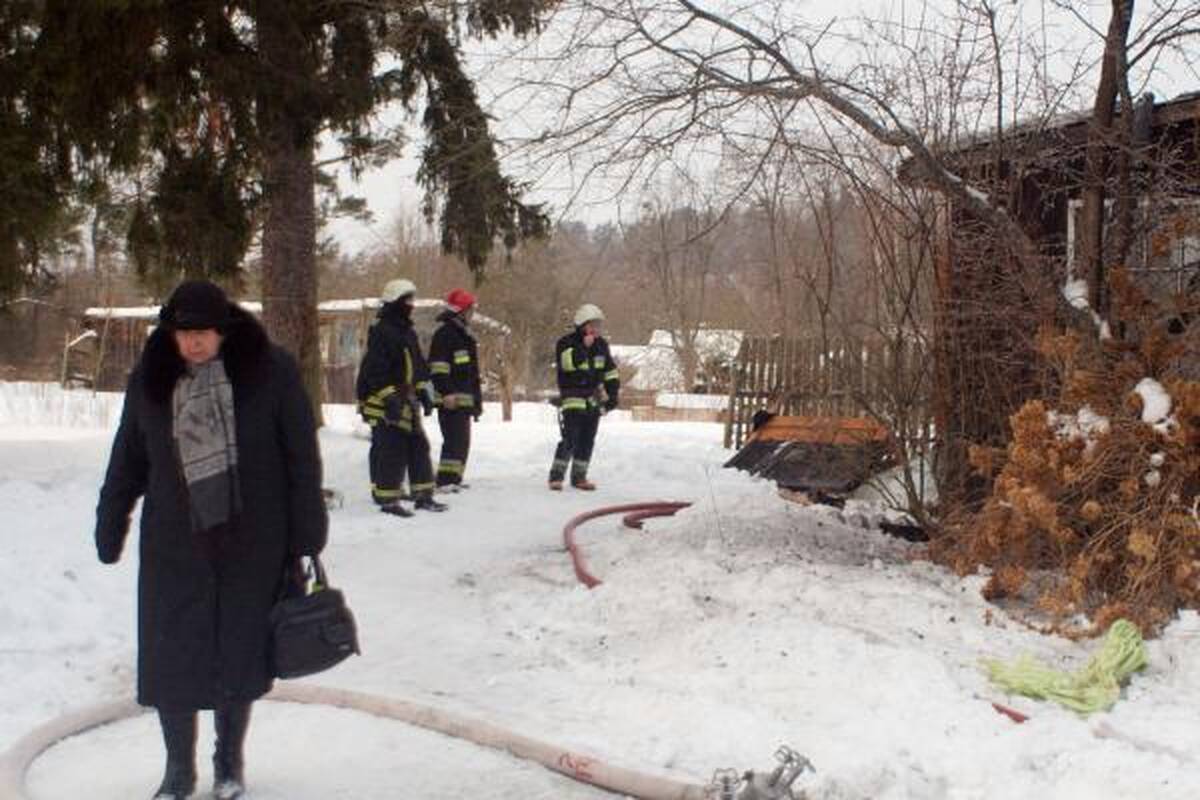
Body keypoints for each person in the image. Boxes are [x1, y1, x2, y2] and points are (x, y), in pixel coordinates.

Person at [94, 280, 328, 800]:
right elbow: (128, 454)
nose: (193, 343)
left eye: (202, 333)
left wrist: (307, 533)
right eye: (183, 334)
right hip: (174, 543)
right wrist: (112, 518)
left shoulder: (270, 371)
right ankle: (178, 771)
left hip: (252, 539)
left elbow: (300, 458)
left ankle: (228, 765)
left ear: (222, 330)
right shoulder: (151, 378)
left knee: (237, 653)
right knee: (171, 654)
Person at [355, 278, 447, 515]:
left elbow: (418, 365)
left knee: (418, 447)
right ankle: (388, 500)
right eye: (407, 300)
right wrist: (389, 398)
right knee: (390, 450)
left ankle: (423, 496)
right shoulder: (382, 331)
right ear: (394, 302)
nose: (411, 304)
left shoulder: (407, 331)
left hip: (406, 399)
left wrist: (426, 392)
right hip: (386, 402)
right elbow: (374, 371)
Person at [548, 303, 620, 490]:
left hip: (593, 399)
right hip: (573, 397)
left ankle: (579, 477)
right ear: (582, 325)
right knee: (570, 437)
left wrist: (612, 396)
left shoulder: (601, 345)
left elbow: (610, 372)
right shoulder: (566, 343)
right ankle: (556, 476)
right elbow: (567, 364)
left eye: (598, 325)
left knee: (588, 438)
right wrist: (583, 348)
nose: (597, 329)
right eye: (593, 324)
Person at [428, 288, 483, 491]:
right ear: (461, 311)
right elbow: (438, 368)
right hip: (451, 401)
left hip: (464, 401)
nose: (472, 314)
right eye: (470, 309)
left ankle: (454, 478)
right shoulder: (445, 335)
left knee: (462, 441)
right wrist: (446, 393)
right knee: (453, 440)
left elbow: (471, 373)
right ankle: (445, 480)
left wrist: (476, 401)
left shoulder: (464, 336)